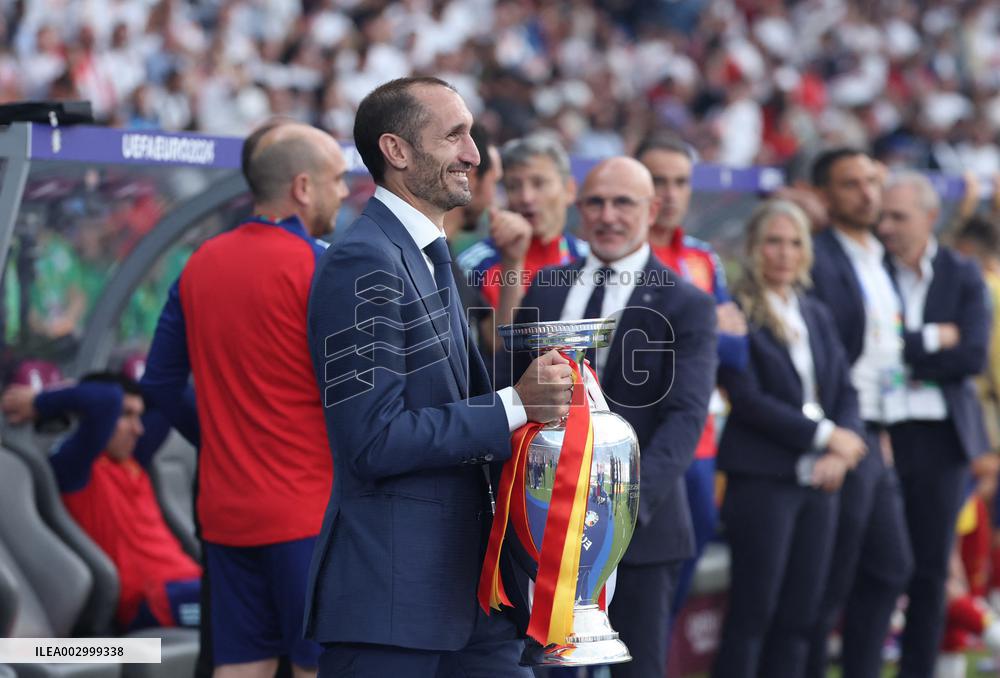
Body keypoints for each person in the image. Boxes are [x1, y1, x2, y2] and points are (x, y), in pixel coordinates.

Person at [305, 76, 571, 677]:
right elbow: (372, 440)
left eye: (471, 135)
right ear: (396, 151)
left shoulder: (424, 251)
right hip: (395, 605)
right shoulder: (362, 259)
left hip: (472, 596)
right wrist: (512, 406)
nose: (474, 154)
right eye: (455, 136)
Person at [142, 120, 348, 678]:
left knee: (240, 668)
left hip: (225, 512)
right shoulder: (321, 265)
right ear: (303, 188)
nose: (345, 191)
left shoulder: (199, 262)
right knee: (317, 667)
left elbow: (158, 383)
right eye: (336, 179)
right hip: (307, 512)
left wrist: (220, 434)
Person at [508, 156, 718, 678]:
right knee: (543, 669)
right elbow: (512, 389)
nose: (607, 215)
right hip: (543, 526)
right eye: (596, 202)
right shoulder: (547, 286)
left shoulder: (686, 302)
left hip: (641, 534)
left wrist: (623, 512)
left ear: (653, 210)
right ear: (578, 208)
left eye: (623, 202)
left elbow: (685, 418)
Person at [712, 200, 865, 678]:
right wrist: (826, 437)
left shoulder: (815, 312)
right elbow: (748, 398)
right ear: (754, 248)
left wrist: (841, 454)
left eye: (794, 242)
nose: (784, 253)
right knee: (753, 613)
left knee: (802, 615)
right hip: (763, 480)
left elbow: (845, 390)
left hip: (820, 483)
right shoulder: (735, 311)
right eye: (773, 242)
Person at [806, 147, 914, 678]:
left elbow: (884, 349)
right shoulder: (819, 258)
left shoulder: (881, 255)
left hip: (879, 429)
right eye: (852, 184)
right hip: (843, 434)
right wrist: (834, 433)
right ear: (826, 196)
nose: (868, 193)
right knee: (833, 581)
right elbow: (824, 357)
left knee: (891, 568)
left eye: (872, 180)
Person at [878, 171, 990, 678]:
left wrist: (904, 347)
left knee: (929, 571)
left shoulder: (962, 274)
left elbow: (970, 356)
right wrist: (929, 339)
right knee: (880, 563)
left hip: (943, 439)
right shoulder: (870, 271)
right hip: (881, 432)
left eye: (898, 216)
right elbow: (869, 349)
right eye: (883, 216)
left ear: (929, 217)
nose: (886, 227)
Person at [635, 134, 749, 617]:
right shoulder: (613, 255)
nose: (670, 193)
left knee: (683, 566)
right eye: (658, 180)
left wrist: (679, 337)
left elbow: (739, 351)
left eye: (680, 181)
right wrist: (703, 334)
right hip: (633, 439)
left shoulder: (704, 257)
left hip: (699, 441)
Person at [0, 371, 201, 631]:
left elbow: (175, 389)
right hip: (154, 601)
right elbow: (106, 399)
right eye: (126, 415)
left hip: (192, 586)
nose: (138, 429)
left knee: (261, 597)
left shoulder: (134, 461)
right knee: (259, 615)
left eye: (139, 416)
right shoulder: (75, 467)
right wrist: (42, 402)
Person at [457, 133, 588, 317]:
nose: (526, 198)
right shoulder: (475, 265)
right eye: (513, 186)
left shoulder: (590, 259)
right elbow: (497, 344)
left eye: (539, 183)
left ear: (569, 190)